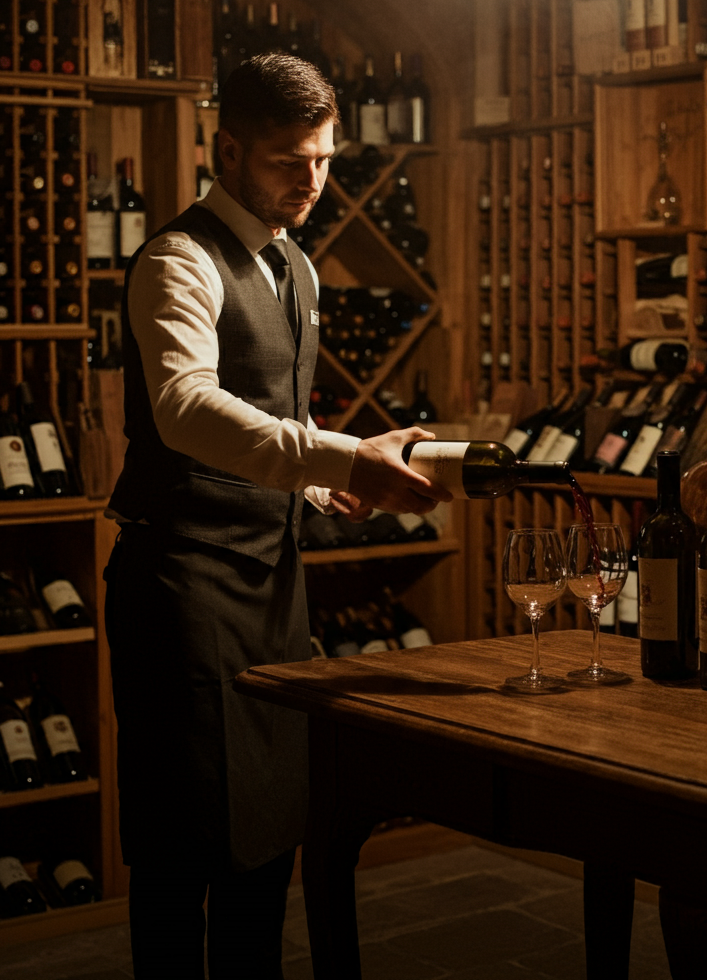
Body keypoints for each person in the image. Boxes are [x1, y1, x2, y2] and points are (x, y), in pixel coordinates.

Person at [103, 52, 450, 979]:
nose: (311, 181)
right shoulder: (178, 259)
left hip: (270, 585)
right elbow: (186, 409)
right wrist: (343, 456)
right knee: (184, 854)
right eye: (287, 160)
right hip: (181, 586)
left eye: (326, 160)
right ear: (226, 148)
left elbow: (271, 416)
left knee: (265, 844)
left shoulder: (298, 267)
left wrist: (314, 480)